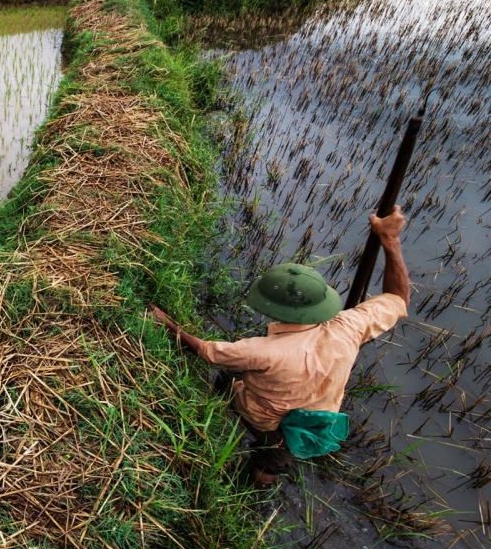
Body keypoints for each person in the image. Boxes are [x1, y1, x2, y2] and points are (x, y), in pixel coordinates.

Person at [149, 207, 410, 487]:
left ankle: (256, 470)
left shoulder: (261, 351)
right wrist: (390, 241)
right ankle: (266, 471)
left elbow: (208, 352)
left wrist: (167, 323)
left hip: (269, 423)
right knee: (275, 455)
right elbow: (397, 297)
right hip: (315, 423)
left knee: (231, 384)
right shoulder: (349, 327)